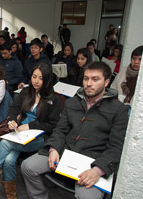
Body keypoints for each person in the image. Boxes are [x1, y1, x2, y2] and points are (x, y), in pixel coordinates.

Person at [21, 61, 129, 199]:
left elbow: (116, 147)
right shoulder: (73, 102)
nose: (89, 83)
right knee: (27, 166)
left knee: (87, 196)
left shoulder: (118, 110)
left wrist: (97, 170)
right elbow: (60, 130)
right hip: (66, 152)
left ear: (106, 82)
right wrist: (53, 149)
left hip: (93, 160)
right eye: (86, 78)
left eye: (95, 79)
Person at [0, 63, 61, 199]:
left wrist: (31, 126)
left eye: (41, 78)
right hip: (21, 134)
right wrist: (11, 120)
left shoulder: (54, 99)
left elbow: (53, 125)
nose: (36, 81)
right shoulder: (26, 91)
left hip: (40, 137)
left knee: (5, 144)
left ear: (47, 80)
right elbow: (13, 108)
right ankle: (11, 196)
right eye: (34, 77)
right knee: (9, 160)